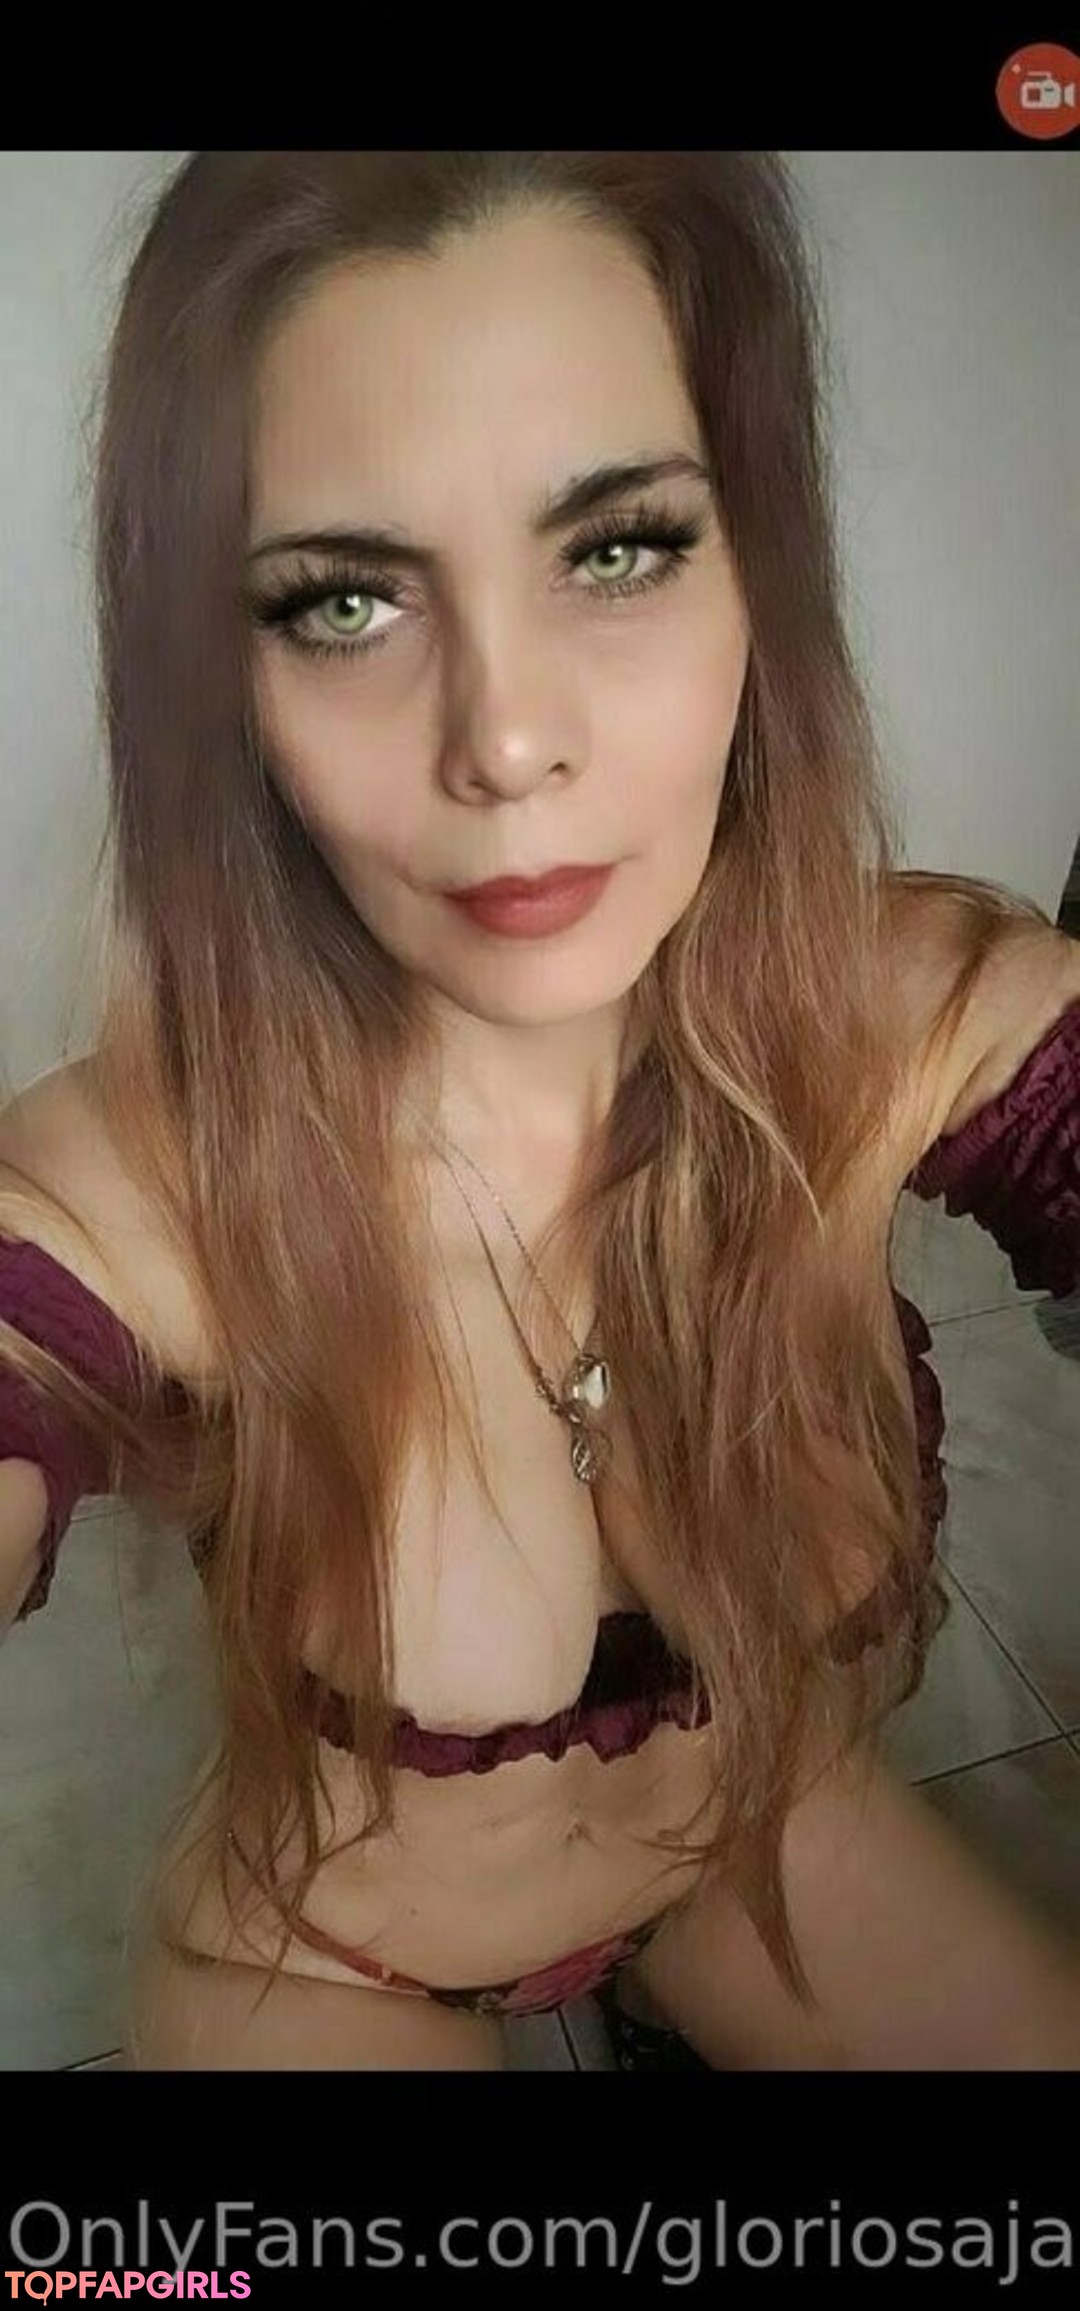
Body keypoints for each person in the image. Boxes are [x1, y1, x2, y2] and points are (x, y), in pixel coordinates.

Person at [1, 151, 1078, 2072]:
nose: (506, 740)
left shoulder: (907, 1015)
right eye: (343, 600)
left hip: (761, 1847)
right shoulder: (140, 1188)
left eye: (617, 549)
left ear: (758, 567)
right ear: (220, 687)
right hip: (331, 1955)